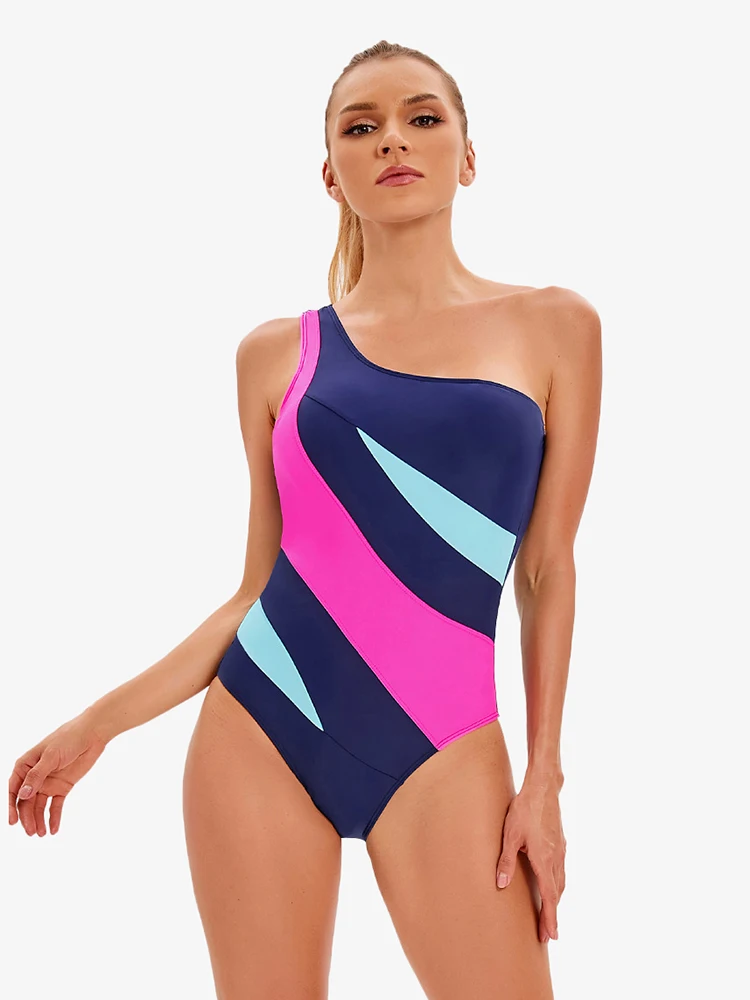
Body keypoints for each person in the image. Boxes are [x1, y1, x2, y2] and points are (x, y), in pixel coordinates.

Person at [8, 39, 601, 1000]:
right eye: (361, 128)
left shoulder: (554, 326)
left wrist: (544, 778)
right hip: (262, 730)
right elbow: (259, 587)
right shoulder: (276, 354)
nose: (392, 140)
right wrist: (98, 724)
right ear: (331, 173)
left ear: (467, 155)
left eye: (421, 117)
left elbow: (546, 568)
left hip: (446, 746)